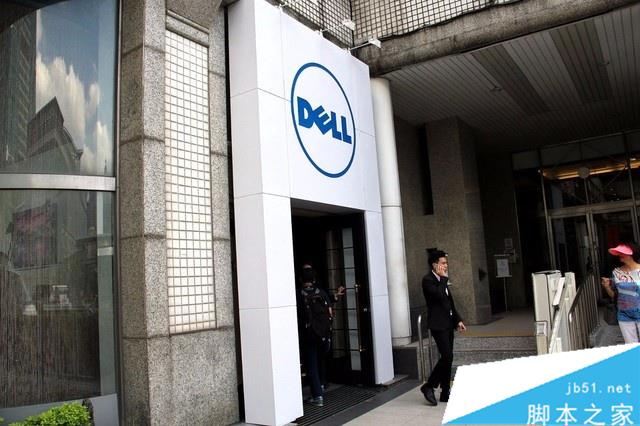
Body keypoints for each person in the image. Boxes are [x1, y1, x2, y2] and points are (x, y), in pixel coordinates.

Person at [419, 249, 465, 405]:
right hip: (438, 324)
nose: (446, 265)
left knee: (448, 358)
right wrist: (443, 280)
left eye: (446, 263)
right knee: (447, 356)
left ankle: (445, 392)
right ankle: (429, 386)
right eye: (443, 263)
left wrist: (458, 320)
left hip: (449, 323)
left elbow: (449, 302)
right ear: (435, 265)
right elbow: (438, 296)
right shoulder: (428, 280)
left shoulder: (442, 280)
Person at [297, 264, 333, 407]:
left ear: (301, 279)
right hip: (323, 333)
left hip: (309, 334)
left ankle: (317, 396)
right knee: (320, 360)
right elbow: (330, 312)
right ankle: (321, 385)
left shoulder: (299, 294)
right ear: (314, 279)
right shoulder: (321, 293)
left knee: (311, 365)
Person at [601, 243, 640, 343]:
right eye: (619, 253)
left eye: (622, 253)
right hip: (624, 315)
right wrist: (607, 287)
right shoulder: (617, 272)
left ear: (631, 254)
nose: (620, 255)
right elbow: (614, 295)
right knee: (631, 346)